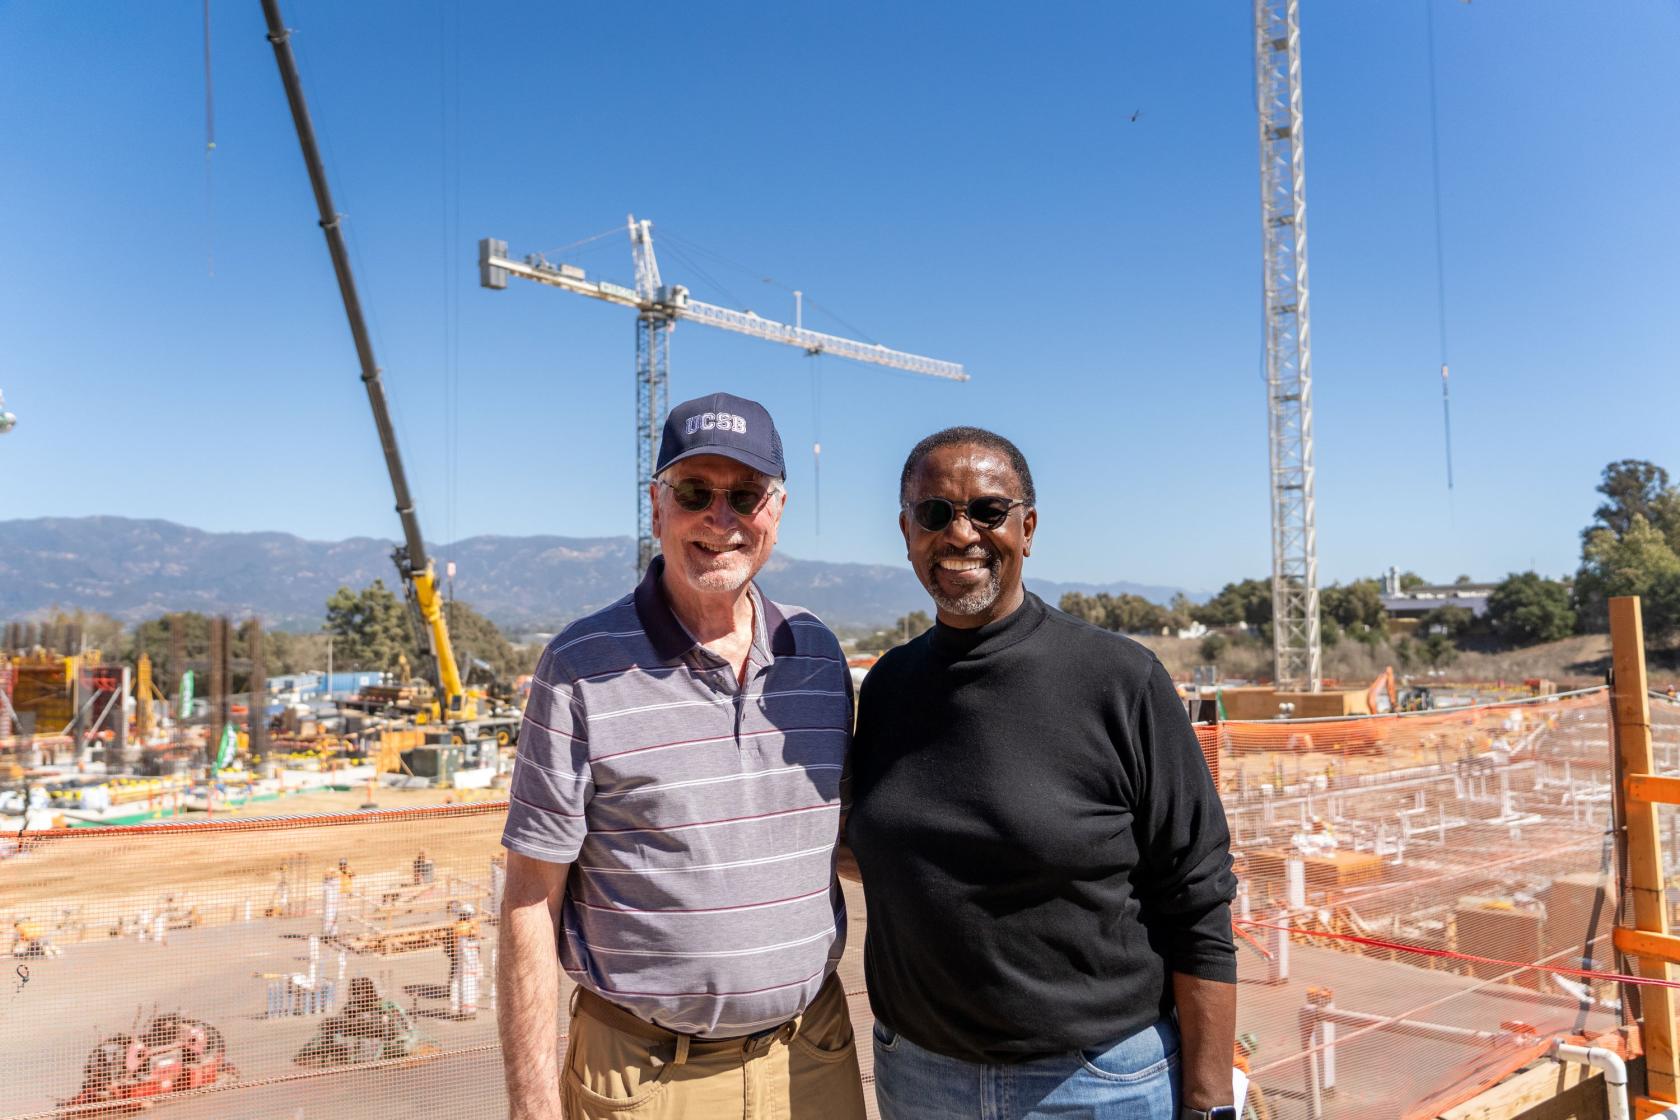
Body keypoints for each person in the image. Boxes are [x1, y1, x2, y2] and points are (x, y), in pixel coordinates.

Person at [847, 427, 1239, 1120]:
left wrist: (1209, 1103)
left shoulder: (1120, 681)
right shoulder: (888, 687)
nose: (961, 533)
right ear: (907, 532)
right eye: (935, 513)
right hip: (919, 1078)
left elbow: (1197, 896)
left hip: (1096, 1085)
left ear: (1027, 528)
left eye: (988, 512)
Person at [497, 392, 865, 1120]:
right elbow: (529, 897)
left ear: (777, 510)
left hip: (811, 1060)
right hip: (644, 1077)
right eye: (695, 492)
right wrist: (532, 1107)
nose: (720, 520)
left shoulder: (817, 656)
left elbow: (841, 844)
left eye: (746, 495)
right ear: (656, 505)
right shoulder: (579, 665)